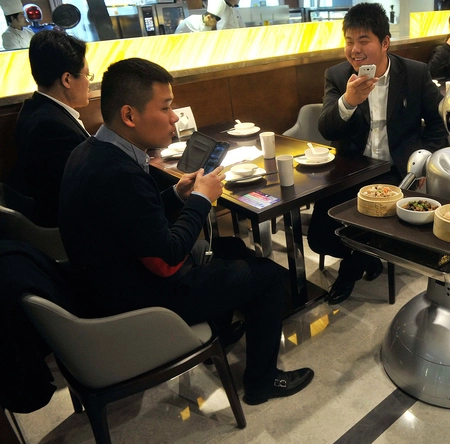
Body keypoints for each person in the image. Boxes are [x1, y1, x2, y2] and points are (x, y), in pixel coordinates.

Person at [58, 57, 313, 406]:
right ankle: (261, 383)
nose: (174, 118)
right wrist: (201, 201)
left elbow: (134, 220)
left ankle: (219, 335)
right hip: (139, 303)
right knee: (268, 276)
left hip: (112, 281)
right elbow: (168, 256)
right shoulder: (118, 174)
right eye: (165, 108)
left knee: (232, 247)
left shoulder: (90, 152)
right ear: (129, 115)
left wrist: (177, 195)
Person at [309, 3, 447, 305]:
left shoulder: (414, 73)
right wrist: (349, 101)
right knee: (319, 237)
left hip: (398, 171)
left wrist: (425, 163)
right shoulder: (338, 76)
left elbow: (438, 124)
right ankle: (367, 257)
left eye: (363, 40)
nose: (354, 50)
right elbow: (327, 129)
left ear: (385, 43)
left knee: (372, 219)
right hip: (352, 169)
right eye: (349, 41)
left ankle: (350, 270)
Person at [7, 30, 90, 227]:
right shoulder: (52, 127)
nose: (89, 82)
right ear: (67, 79)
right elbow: (77, 195)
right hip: (68, 230)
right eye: (87, 75)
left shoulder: (34, 108)